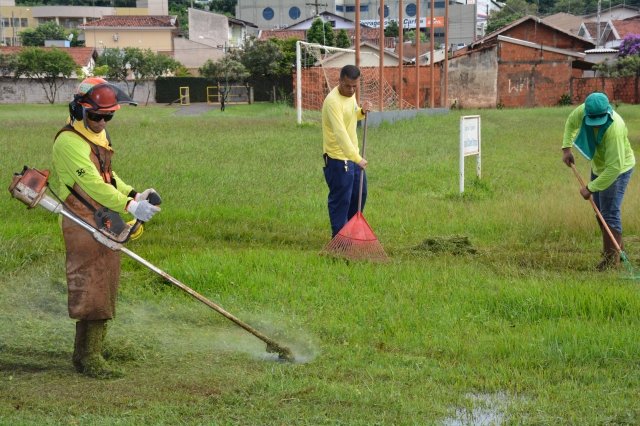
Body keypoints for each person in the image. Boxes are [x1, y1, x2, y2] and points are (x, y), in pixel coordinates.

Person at [53, 78, 161, 378]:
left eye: (108, 116)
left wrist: (132, 195)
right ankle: (87, 357)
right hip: (81, 216)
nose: (101, 122)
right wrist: (130, 207)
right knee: (90, 282)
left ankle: (96, 347)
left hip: (101, 213)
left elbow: (108, 176)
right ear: (78, 111)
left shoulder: (96, 136)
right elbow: (90, 182)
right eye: (96, 116)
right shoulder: (69, 141)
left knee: (106, 279)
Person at [562, 92, 635, 270]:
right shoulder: (582, 111)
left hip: (618, 169)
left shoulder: (614, 129)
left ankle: (611, 262)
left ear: (607, 112)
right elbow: (571, 123)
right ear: (586, 113)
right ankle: (619, 252)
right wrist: (566, 148)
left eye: (600, 120)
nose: (597, 124)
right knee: (600, 212)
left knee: (609, 213)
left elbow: (614, 168)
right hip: (600, 166)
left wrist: (591, 187)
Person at [321, 65, 373, 238]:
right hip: (338, 160)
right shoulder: (333, 102)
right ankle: (339, 242)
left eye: (355, 86)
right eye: (348, 86)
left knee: (359, 196)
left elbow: (352, 114)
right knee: (341, 201)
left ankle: (351, 235)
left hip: (353, 158)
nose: (351, 90)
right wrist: (357, 158)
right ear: (340, 81)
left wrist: (362, 112)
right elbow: (340, 134)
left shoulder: (350, 97)